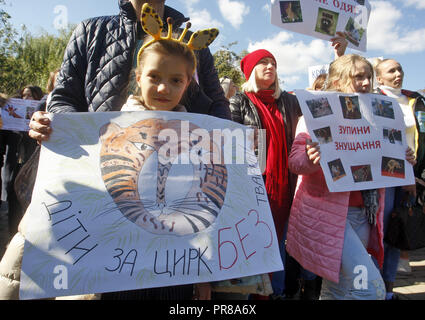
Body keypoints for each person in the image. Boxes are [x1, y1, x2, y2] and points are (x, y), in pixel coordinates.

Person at [286, 54, 416, 300]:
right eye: (359, 77)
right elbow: (295, 163)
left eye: (369, 76)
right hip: (331, 218)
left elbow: (386, 162)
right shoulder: (314, 119)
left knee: (338, 288)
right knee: (370, 289)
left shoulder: (377, 118)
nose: (367, 83)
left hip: (363, 215)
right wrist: (310, 156)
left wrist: (403, 158)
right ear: (337, 81)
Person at [29, 0, 229, 144]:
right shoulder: (90, 31)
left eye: (176, 80)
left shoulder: (194, 45)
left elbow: (218, 106)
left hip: (180, 176)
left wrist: (235, 138)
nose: (163, 87)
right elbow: (63, 98)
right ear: (139, 77)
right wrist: (53, 125)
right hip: (96, 174)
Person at [228, 49, 302, 299]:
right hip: (256, 182)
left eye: (273, 63)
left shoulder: (290, 101)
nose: (270, 66)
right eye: (263, 63)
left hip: (286, 182)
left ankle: (275, 292)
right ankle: (256, 293)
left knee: (280, 239)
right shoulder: (239, 100)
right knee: (258, 237)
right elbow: (231, 140)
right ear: (250, 70)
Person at [374, 58, 425, 299]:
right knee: (380, 231)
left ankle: (388, 286)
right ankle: (373, 284)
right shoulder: (372, 98)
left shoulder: (414, 100)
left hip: (408, 175)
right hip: (381, 177)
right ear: (379, 77)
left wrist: (417, 169)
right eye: (391, 70)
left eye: (400, 69)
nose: (398, 74)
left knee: (398, 231)